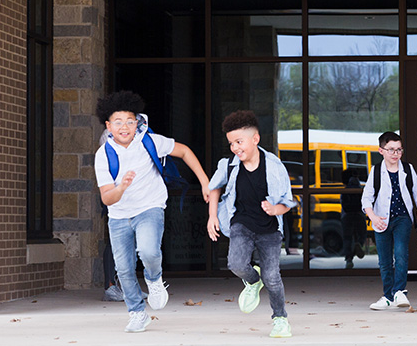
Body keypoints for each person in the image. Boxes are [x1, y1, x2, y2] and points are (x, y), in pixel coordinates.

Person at [94, 91, 210, 333]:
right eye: (118, 122)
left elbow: (185, 151)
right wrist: (122, 187)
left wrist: (204, 181)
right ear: (108, 125)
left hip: (150, 207)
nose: (124, 126)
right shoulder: (103, 155)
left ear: (136, 122)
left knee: (148, 251)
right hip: (119, 215)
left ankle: (155, 279)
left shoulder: (150, 141)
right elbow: (107, 198)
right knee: (124, 269)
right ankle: (137, 313)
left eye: (129, 120)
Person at [206, 110, 297, 338]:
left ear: (255, 139)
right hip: (241, 223)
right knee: (236, 264)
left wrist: (275, 209)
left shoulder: (275, 166)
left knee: (273, 277)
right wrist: (212, 216)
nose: (236, 148)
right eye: (231, 143)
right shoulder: (228, 165)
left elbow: (287, 201)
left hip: (269, 230)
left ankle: (280, 319)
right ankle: (252, 280)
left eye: (239, 142)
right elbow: (214, 187)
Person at [361, 132, 417, 310]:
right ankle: (388, 296)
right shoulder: (376, 171)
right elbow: (366, 199)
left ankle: (400, 291)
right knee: (384, 261)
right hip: (381, 221)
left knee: (400, 255)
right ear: (381, 151)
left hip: (403, 219)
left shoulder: (408, 169)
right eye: (391, 149)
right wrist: (373, 218)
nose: (395, 153)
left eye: (399, 149)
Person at [341, 171, 367, 269]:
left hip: (347, 216)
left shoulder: (345, 190)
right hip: (359, 215)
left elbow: (342, 204)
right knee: (362, 234)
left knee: (347, 238)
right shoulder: (361, 189)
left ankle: (348, 259)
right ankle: (358, 244)